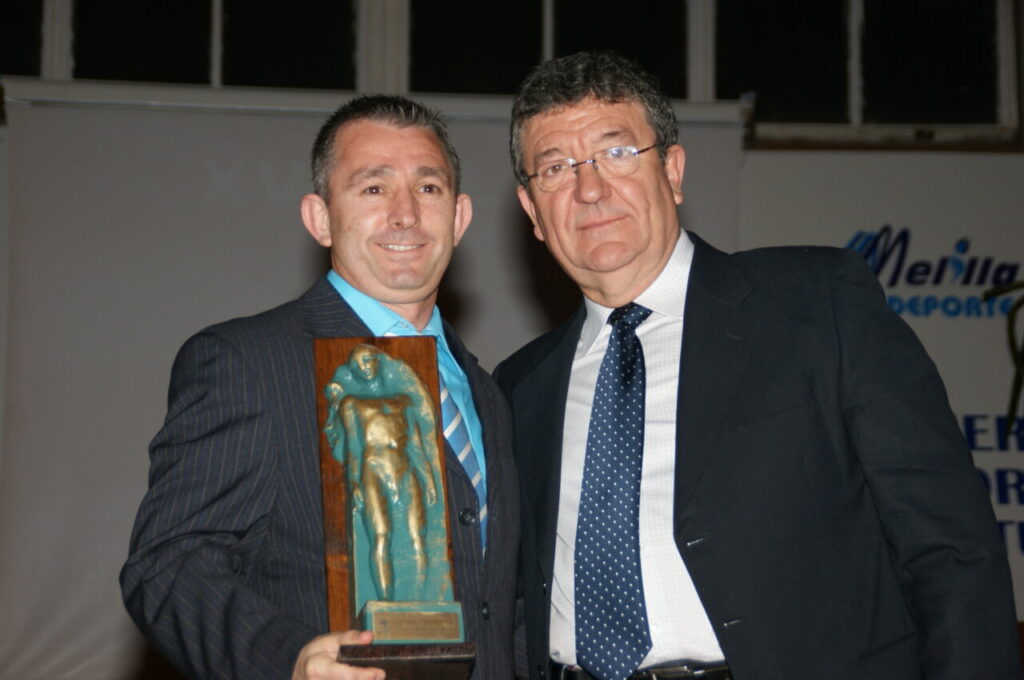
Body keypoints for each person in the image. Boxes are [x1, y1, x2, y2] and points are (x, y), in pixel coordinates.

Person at [493, 51, 1021, 680]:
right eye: (556, 168)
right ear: (532, 212)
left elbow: (952, 549)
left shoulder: (817, 304)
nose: (589, 189)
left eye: (617, 152)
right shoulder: (521, 386)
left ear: (674, 169)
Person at [121, 95, 519, 680]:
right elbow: (169, 566)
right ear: (321, 218)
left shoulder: (488, 392)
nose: (405, 214)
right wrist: (289, 659)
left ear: (459, 218)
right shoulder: (249, 362)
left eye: (428, 188)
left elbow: (500, 606)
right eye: (373, 188)